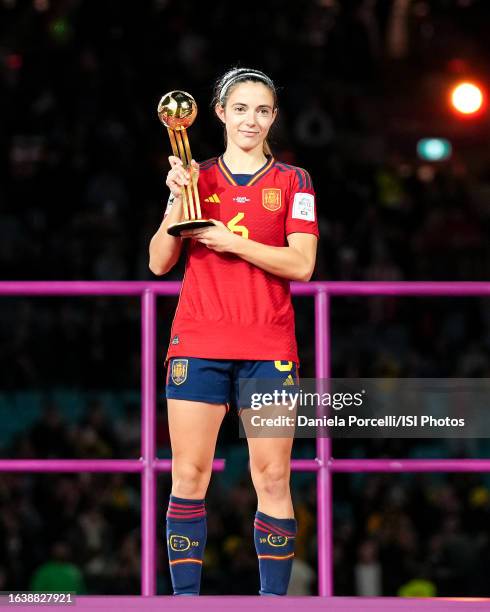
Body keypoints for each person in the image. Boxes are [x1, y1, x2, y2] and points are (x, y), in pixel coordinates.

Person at [149, 67, 319, 596]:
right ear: (219, 113)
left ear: (273, 117)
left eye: (263, 110)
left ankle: (272, 603)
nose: (252, 119)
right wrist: (177, 200)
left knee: (272, 479)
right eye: (241, 109)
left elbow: (302, 265)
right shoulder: (193, 177)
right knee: (189, 477)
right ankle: (185, 603)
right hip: (198, 343)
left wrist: (230, 241)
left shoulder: (295, 181)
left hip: (269, 346)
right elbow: (159, 262)